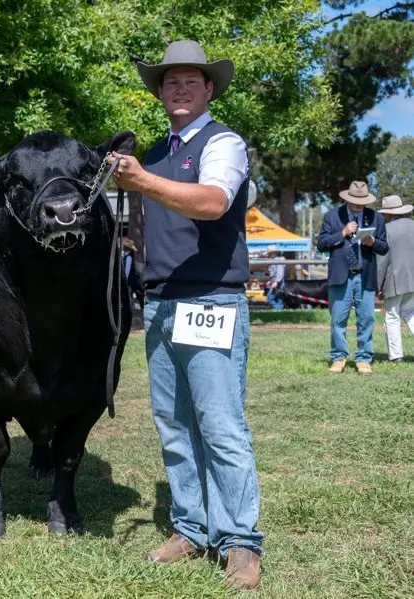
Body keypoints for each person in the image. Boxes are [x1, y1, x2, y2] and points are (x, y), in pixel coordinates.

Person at [109, 40, 263, 589]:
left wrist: (142, 181)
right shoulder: (153, 154)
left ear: (209, 90)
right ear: (161, 93)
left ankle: (241, 541)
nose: (178, 89)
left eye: (189, 82)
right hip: (160, 302)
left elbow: (214, 203)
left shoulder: (224, 143)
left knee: (220, 425)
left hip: (211, 300)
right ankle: (192, 528)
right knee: (174, 424)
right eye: (169, 82)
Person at [317, 181, 388, 375]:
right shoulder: (332, 216)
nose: (359, 205)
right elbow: (322, 244)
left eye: (362, 201)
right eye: (355, 201)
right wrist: (343, 232)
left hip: (365, 276)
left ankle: (364, 358)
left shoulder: (376, 218)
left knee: (366, 318)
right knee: (338, 319)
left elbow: (384, 248)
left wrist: (372, 242)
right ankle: (338, 357)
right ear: (347, 199)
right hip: (341, 276)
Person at [376, 195, 414, 363]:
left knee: (392, 316)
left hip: (395, 280)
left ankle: (396, 356)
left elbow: (382, 261)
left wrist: (377, 285)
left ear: (389, 214)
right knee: (410, 312)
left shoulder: (387, 230)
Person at [265, 244, 285, 311]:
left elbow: (280, 272)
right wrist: (270, 281)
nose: (268, 255)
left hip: (278, 282)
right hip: (275, 281)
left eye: (270, 253)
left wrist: (276, 282)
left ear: (274, 253)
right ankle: (280, 313)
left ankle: (277, 310)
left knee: (270, 298)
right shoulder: (273, 260)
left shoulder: (278, 260)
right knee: (278, 298)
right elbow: (273, 273)